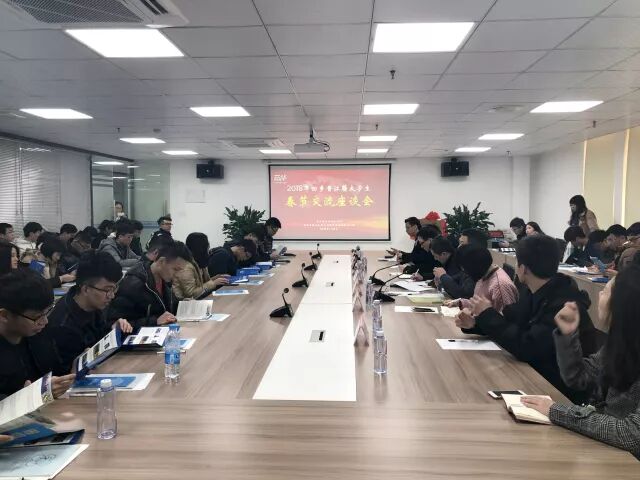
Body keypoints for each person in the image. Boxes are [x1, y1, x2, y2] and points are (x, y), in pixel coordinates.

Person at [455, 235, 602, 403]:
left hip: (558, 391)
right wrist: (476, 323)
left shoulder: (563, 304)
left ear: (523, 268)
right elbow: (511, 321)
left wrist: (487, 314)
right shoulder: (535, 291)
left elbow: (527, 347)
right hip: (535, 375)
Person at [522, 266, 640, 459]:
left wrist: (557, 411)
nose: (600, 294)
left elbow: (632, 435)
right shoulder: (620, 343)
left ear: (623, 305)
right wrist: (567, 336)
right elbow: (578, 378)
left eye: (606, 291)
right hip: (607, 451)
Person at [47, 251, 132, 373]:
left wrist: (113, 330)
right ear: (86, 289)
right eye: (107, 290)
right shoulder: (64, 326)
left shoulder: (92, 303)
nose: (112, 296)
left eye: (114, 289)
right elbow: (67, 375)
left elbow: (99, 341)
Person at [0, 269, 75, 397]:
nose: (45, 321)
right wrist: (31, 396)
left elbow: (56, 372)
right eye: (37, 317)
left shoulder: (38, 331)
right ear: (5, 315)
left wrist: (73, 370)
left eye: (47, 312)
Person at [108, 241, 191, 329]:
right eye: (176, 269)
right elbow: (115, 325)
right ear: (162, 261)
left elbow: (165, 307)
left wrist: (182, 304)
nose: (178, 275)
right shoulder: (133, 284)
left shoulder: (164, 279)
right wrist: (155, 321)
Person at [450, 245, 518, 313]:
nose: (466, 274)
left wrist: (472, 319)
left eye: (465, 270)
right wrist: (461, 303)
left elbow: (506, 318)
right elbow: (481, 305)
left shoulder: (499, 286)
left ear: (474, 267)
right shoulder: (483, 274)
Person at [173, 233, 230, 300]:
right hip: (187, 303)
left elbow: (203, 285)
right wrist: (214, 283)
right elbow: (191, 294)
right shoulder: (186, 267)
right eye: (207, 245)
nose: (208, 248)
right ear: (201, 248)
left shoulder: (200, 262)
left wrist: (216, 278)